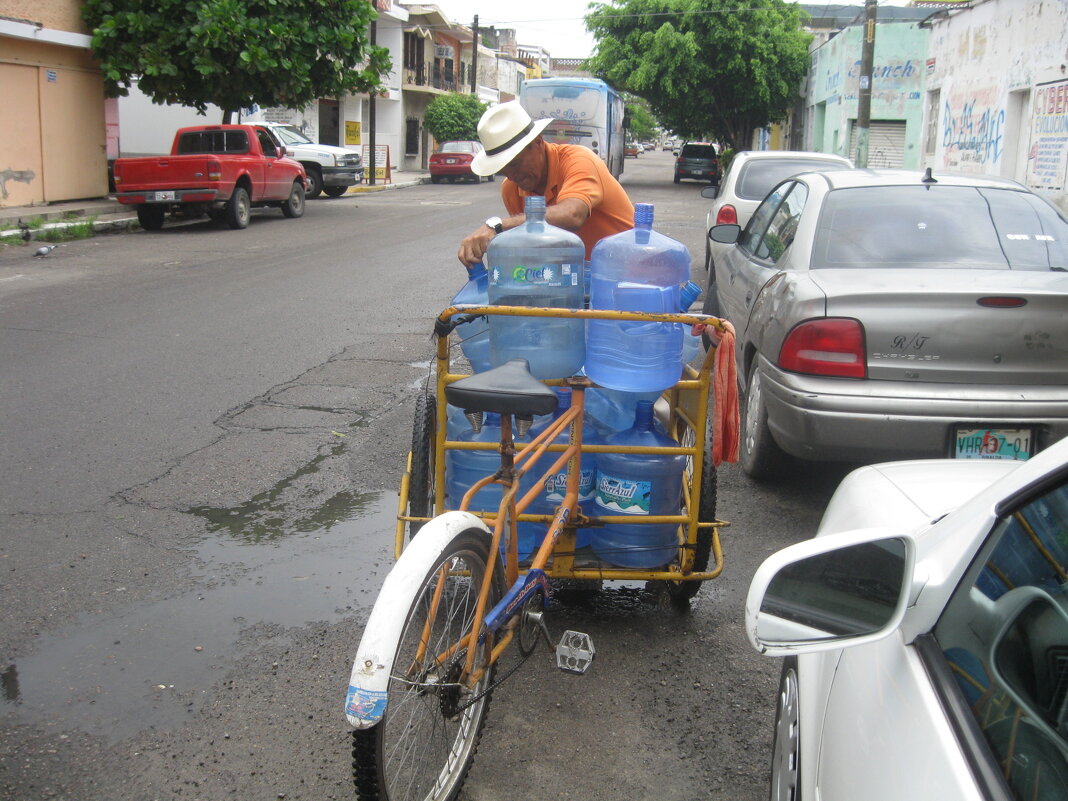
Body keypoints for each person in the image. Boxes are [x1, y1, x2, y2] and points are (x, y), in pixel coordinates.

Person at [457, 101, 634, 268]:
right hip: (573, 279)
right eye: (502, 170)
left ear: (538, 143)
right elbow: (536, 243)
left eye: (514, 164)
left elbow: (572, 214)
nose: (511, 176)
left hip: (625, 272)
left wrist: (498, 226)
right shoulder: (511, 189)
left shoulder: (579, 160)